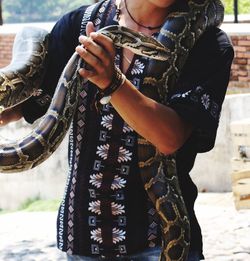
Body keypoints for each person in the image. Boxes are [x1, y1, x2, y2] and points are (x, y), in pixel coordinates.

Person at [0, 0, 234, 260]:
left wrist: (112, 83)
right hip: (85, 239)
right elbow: (39, 100)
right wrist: (9, 110)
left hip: (161, 240)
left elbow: (169, 138)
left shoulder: (209, 44)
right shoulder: (78, 25)